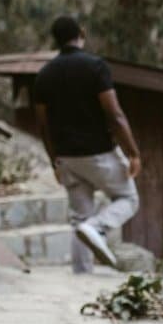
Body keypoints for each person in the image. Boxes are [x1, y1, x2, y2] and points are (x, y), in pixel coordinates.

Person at [34, 15, 142, 272]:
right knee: (128, 199)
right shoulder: (95, 67)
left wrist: (54, 162)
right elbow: (114, 114)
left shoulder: (43, 75)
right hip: (99, 153)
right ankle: (97, 228)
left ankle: (82, 277)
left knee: (80, 218)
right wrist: (133, 153)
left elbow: (43, 124)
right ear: (81, 34)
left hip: (67, 158)